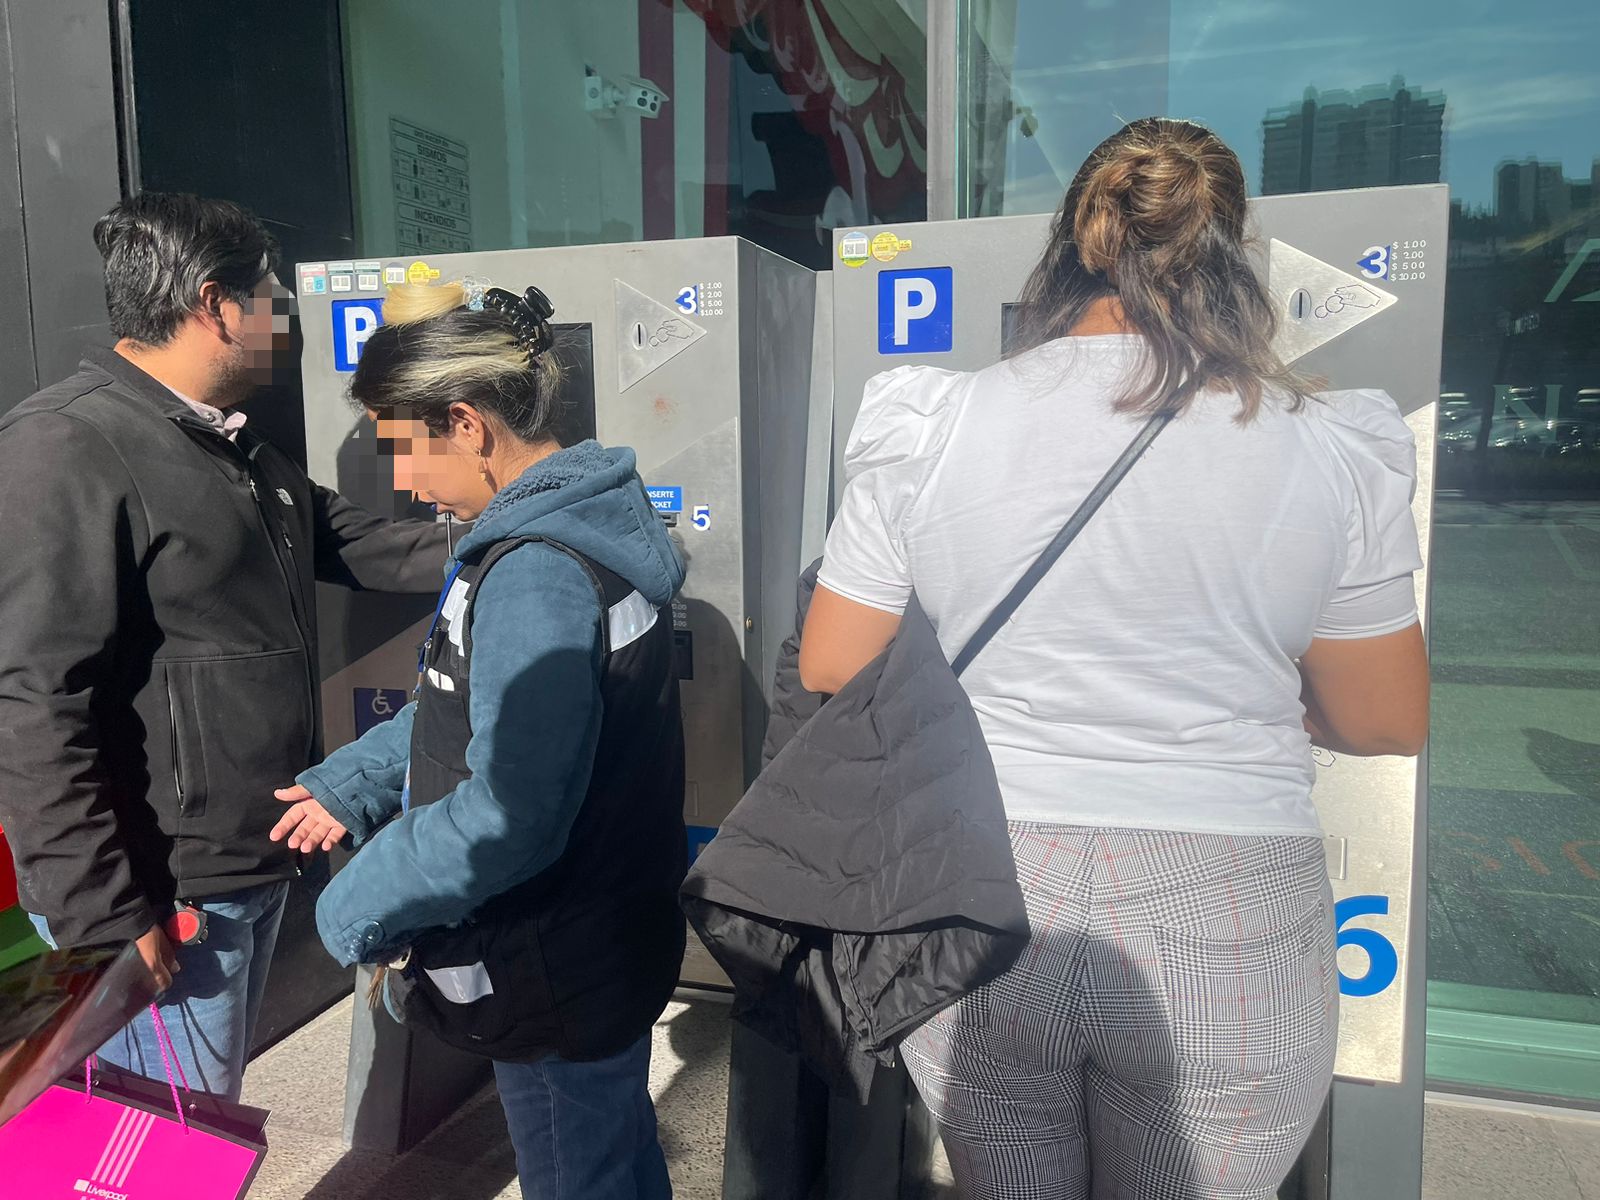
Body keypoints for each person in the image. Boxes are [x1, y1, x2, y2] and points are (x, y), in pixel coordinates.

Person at [798, 118, 1430, 1199]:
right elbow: (1384, 719)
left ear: (1069, 244)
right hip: (1229, 899)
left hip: (980, 882)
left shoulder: (934, 420)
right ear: (1234, 253)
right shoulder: (1331, 446)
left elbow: (832, 663)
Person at [0, 193, 447, 1101]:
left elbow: (358, 540)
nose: (286, 313)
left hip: (246, 865)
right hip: (162, 892)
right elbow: (35, 700)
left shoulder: (242, 450)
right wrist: (101, 915)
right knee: (159, 1153)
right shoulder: (70, 445)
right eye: (273, 293)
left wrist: (520, 530)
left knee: (193, 1135)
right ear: (216, 303)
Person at [271, 279, 687, 1200]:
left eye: (404, 451)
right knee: (598, 1157)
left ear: (466, 422)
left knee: (581, 1172)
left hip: (554, 952)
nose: (406, 485)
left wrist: (353, 908)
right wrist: (354, 781)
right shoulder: (579, 527)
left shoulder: (534, 570)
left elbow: (511, 809)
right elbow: (471, 708)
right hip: (590, 937)